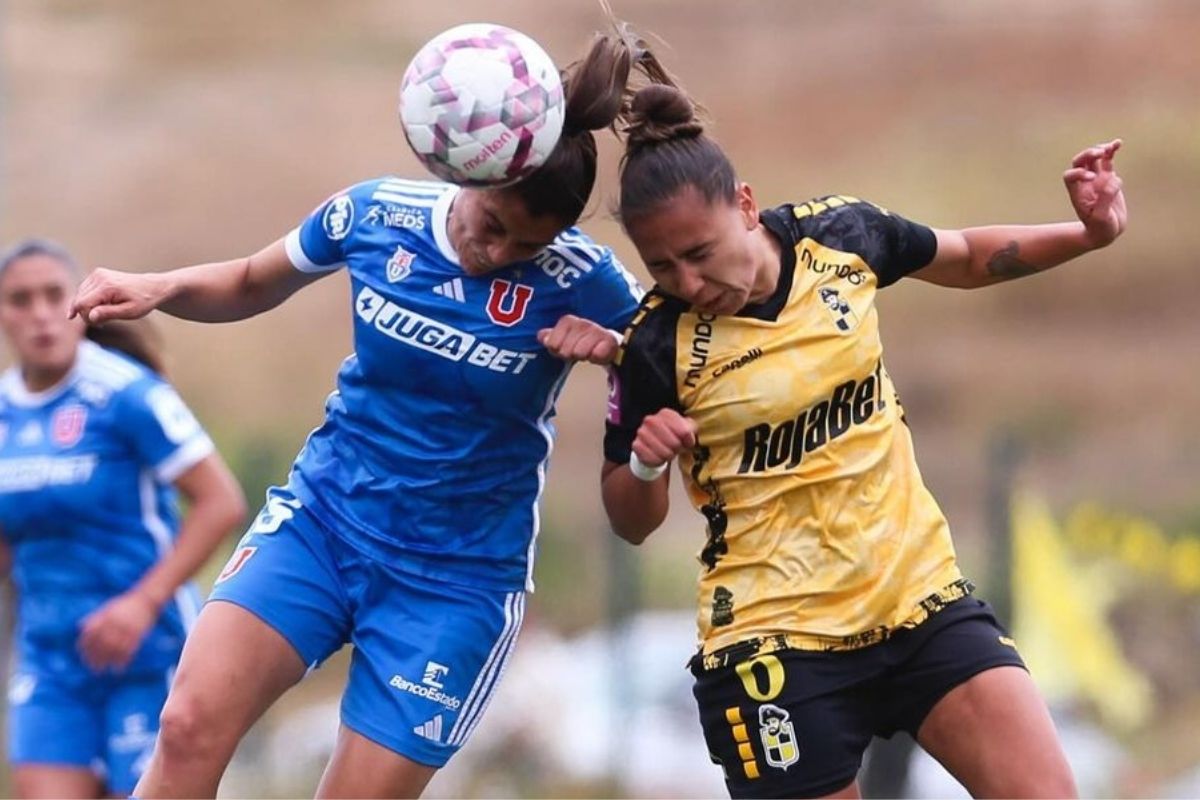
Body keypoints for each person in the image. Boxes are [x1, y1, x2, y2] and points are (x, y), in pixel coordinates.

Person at [69, 29, 668, 798]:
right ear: (469, 174)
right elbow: (254, 279)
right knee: (186, 727)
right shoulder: (375, 215)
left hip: (454, 583)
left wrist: (620, 352)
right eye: (493, 226)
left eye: (526, 246)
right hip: (322, 525)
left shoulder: (588, 282)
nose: (498, 252)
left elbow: (672, 369)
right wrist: (162, 287)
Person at [601, 80, 1126, 799]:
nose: (689, 281)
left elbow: (968, 255)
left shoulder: (841, 236)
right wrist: (644, 460)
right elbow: (631, 521)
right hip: (774, 645)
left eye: (700, 251)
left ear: (746, 205)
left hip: (920, 601)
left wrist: (1090, 234)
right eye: (663, 267)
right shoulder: (657, 344)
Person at [0, 239, 247, 799]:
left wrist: (140, 603)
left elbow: (221, 502)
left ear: (79, 302)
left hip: (146, 652)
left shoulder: (126, 394)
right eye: (19, 299)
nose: (39, 313)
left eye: (52, 295)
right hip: (50, 656)